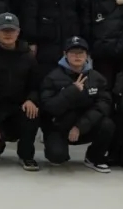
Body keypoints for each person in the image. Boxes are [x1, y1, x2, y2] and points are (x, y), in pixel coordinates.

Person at [39, 36, 114, 172]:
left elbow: (103, 105)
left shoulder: (97, 78)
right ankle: (53, 146)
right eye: (73, 53)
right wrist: (71, 91)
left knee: (107, 124)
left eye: (81, 53)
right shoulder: (52, 77)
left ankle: (93, 157)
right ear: (65, 54)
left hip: (84, 127)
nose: (77, 56)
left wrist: (80, 126)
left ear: (87, 55)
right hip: (59, 127)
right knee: (57, 157)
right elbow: (49, 107)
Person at [0, 12, 40, 171]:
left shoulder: (28, 57)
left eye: (12, 30)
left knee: (32, 112)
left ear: (18, 32)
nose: (8, 34)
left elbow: (35, 86)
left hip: (19, 108)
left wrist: (31, 99)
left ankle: (26, 155)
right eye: (4, 30)